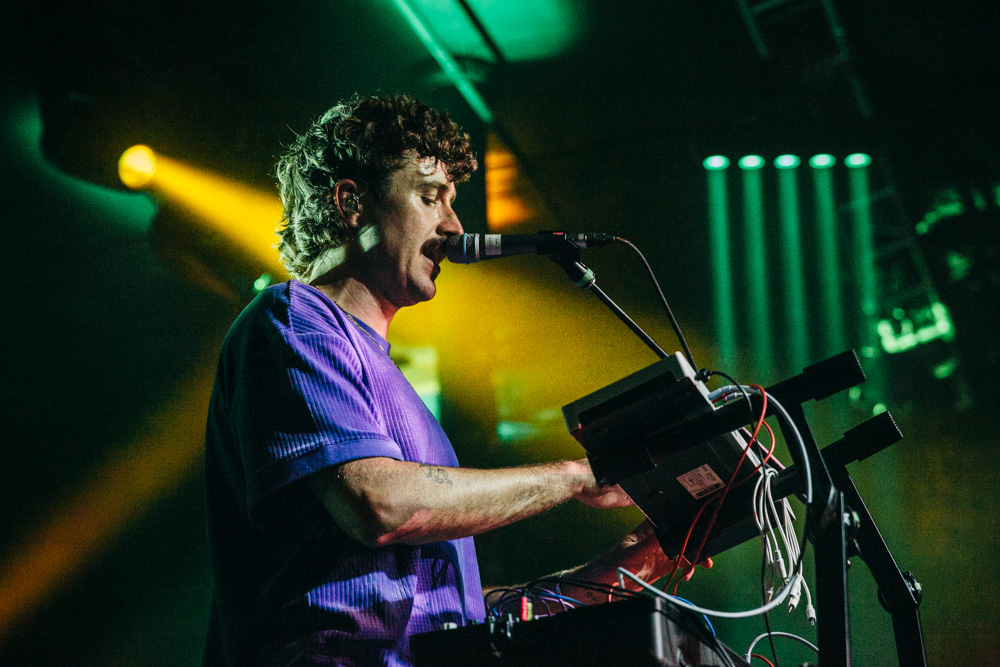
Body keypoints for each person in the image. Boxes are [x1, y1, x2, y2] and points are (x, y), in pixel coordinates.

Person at [202, 94, 707, 667]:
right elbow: (380, 505)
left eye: (453, 201)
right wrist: (574, 476)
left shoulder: (394, 386)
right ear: (352, 202)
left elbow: (465, 625)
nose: (454, 225)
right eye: (429, 197)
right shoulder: (293, 319)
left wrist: (629, 565)